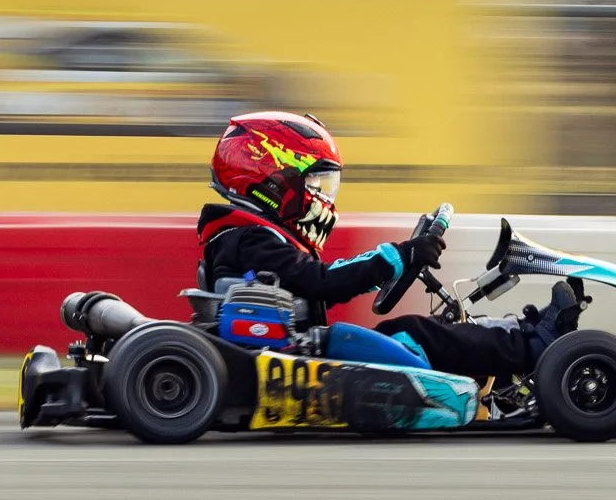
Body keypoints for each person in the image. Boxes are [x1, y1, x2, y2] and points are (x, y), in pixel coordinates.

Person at [196, 110, 583, 381]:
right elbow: (319, 281)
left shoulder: (243, 237)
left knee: (432, 328)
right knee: (414, 333)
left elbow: (309, 289)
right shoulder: (246, 238)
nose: (322, 197)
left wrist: (400, 260)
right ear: (270, 178)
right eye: (315, 185)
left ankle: (524, 335)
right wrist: (399, 257)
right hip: (297, 357)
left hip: (300, 350)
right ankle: (535, 344)